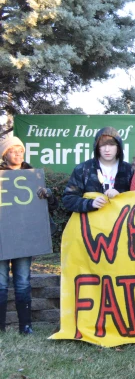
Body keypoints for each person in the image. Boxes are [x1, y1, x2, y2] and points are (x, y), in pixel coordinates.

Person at [0, 136, 57, 334]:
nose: (17, 153)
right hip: (2, 237)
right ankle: (1, 328)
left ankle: (26, 327)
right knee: (0, 282)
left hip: (24, 238)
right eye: (12, 150)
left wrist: (47, 194)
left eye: (20, 150)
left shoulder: (33, 176)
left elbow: (51, 207)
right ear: (5, 154)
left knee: (23, 281)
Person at [62, 127, 133, 213]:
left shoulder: (130, 170)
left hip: (121, 223)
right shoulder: (83, 169)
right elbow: (68, 199)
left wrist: (120, 195)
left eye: (111, 145)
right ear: (97, 147)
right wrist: (91, 204)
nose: (107, 149)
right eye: (102, 145)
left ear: (118, 147)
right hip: (91, 224)